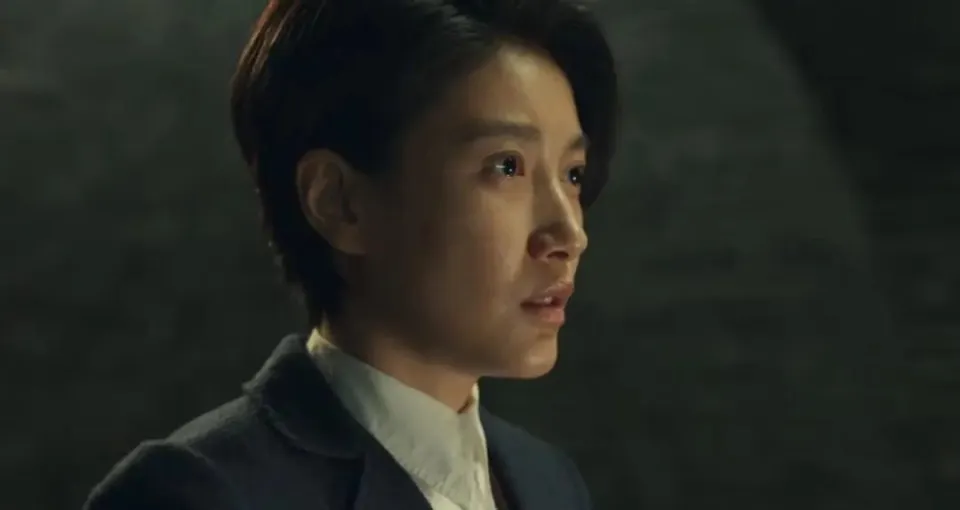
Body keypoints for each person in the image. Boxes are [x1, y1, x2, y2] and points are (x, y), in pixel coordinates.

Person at [84, 0, 619, 508]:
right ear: (339, 203)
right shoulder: (198, 495)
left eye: (572, 174)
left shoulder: (545, 480)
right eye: (506, 166)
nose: (570, 234)